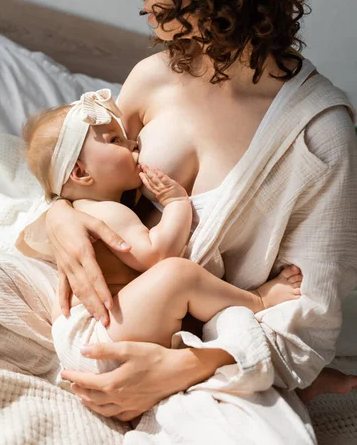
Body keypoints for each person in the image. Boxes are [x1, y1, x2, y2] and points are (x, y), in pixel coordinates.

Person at [25, 0, 357, 443]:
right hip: (120, 317)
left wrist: (186, 365)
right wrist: (59, 218)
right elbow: (71, 175)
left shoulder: (318, 136)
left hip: (210, 341)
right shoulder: (153, 78)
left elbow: (310, 331)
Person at [17, 89, 303, 376]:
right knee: (179, 275)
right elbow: (156, 255)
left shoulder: (87, 209)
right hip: (98, 334)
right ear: (80, 173)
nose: (133, 144)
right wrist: (177, 204)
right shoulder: (105, 212)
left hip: (99, 332)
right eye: (115, 140)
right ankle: (259, 301)